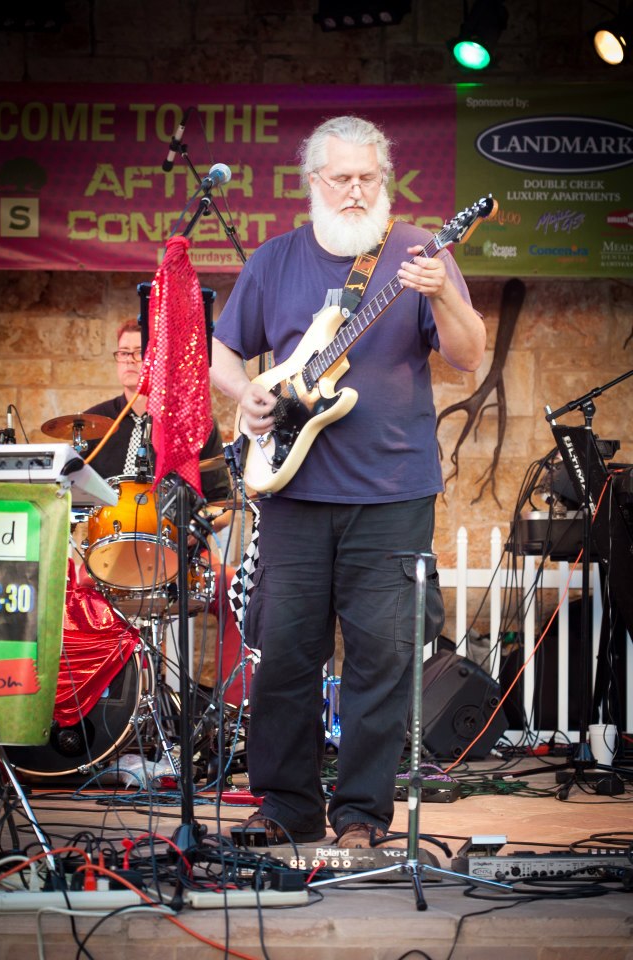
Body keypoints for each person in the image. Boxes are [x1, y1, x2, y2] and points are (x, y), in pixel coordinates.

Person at [210, 115, 486, 847]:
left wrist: (446, 297)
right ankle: (285, 807)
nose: (358, 189)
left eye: (371, 176)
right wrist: (248, 395)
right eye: (343, 177)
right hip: (293, 494)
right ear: (314, 184)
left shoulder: (419, 253)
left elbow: (469, 355)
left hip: (392, 493)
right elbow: (222, 353)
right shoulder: (275, 260)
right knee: (286, 655)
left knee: (382, 663)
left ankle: (361, 817)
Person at [82, 320, 251, 706]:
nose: (130, 361)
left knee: (243, 593)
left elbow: (224, 506)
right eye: (123, 353)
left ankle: (238, 710)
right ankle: (86, 711)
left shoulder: (192, 424)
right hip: (106, 559)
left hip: (185, 558)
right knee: (64, 598)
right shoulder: (92, 426)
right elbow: (72, 503)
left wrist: (192, 529)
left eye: (140, 353)